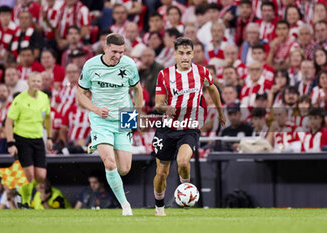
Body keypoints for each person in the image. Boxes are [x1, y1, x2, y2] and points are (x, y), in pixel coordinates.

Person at [152, 37, 225, 216]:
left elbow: (213, 88)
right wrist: (165, 108)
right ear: (175, 54)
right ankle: (159, 208)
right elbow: (157, 104)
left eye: (188, 53)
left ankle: (187, 190)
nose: (185, 57)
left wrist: (220, 111)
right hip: (167, 128)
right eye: (181, 53)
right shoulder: (164, 75)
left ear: (193, 54)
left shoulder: (202, 72)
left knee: (183, 161)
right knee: (162, 173)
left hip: (189, 127)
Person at [77, 33, 143, 216]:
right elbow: (80, 94)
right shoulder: (91, 65)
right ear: (105, 48)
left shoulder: (129, 64)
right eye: (114, 51)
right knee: (109, 162)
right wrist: (96, 109)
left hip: (124, 115)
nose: (118, 56)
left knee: (124, 169)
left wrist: (138, 112)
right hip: (101, 119)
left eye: (121, 52)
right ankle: (125, 206)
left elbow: (137, 89)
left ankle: (97, 144)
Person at [5, 72, 52, 183]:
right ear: (28, 82)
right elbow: (8, 122)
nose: (36, 83)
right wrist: (10, 143)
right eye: (33, 81)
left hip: (38, 138)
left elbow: (49, 118)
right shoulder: (19, 99)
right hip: (22, 139)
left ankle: (29, 192)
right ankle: (23, 196)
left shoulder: (44, 97)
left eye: (38, 81)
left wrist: (49, 138)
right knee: (29, 174)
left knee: (41, 176)